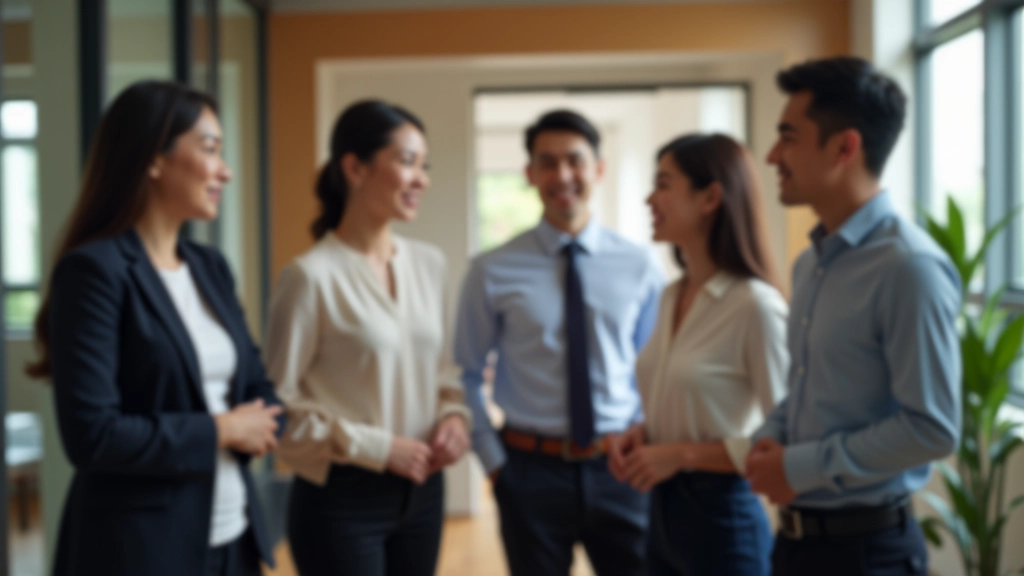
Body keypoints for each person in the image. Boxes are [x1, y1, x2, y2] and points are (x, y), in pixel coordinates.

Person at [26, 80, 284, 576]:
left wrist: (267, 421)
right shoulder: (95, 272)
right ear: (153, 158)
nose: (225, 172)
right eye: (210, 149)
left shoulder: (211, 267)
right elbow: (92, 435)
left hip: (234, 538)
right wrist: (222, 429)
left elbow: (258, 387)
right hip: (142, 551)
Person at [745, 56, 961, 576]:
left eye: (788, 137)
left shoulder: (909, 268)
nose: (773, 155)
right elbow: (806, 389)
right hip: (796, 544)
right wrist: (768, 440)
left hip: (867, 555)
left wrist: (797, 466)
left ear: (845, 147)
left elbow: (932, 428)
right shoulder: (810, 263)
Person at [265, 100, 472, 576]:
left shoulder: (430, 264)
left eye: (425, 166)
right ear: (354, 168)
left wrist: (455, 418)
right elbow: (276, 408)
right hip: (341, 500)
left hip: (424, 493)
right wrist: (375, 446)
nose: (421, 179)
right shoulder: (309, 277)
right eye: (406, 162)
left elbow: (444, 373)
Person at [455, 109, 664, 576]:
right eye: (547, 162)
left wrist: (645, 444)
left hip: (621, 467)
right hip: (529, 470)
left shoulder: (640, 266)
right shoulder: (492, 269)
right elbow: (464, 372)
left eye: (575, 160)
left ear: (599, 169)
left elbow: (656, 370)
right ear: (530, 174)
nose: (562, 175)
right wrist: (495, 467)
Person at [610, 133, 788, 576]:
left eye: (664, 183)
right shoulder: (672, 295)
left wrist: (681, 454)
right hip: (662, 511)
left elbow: (787, 437)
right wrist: (647, 432)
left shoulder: (755, 306)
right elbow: (695, 398)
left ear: (710, 197)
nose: (650, 198)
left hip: (723, 518)